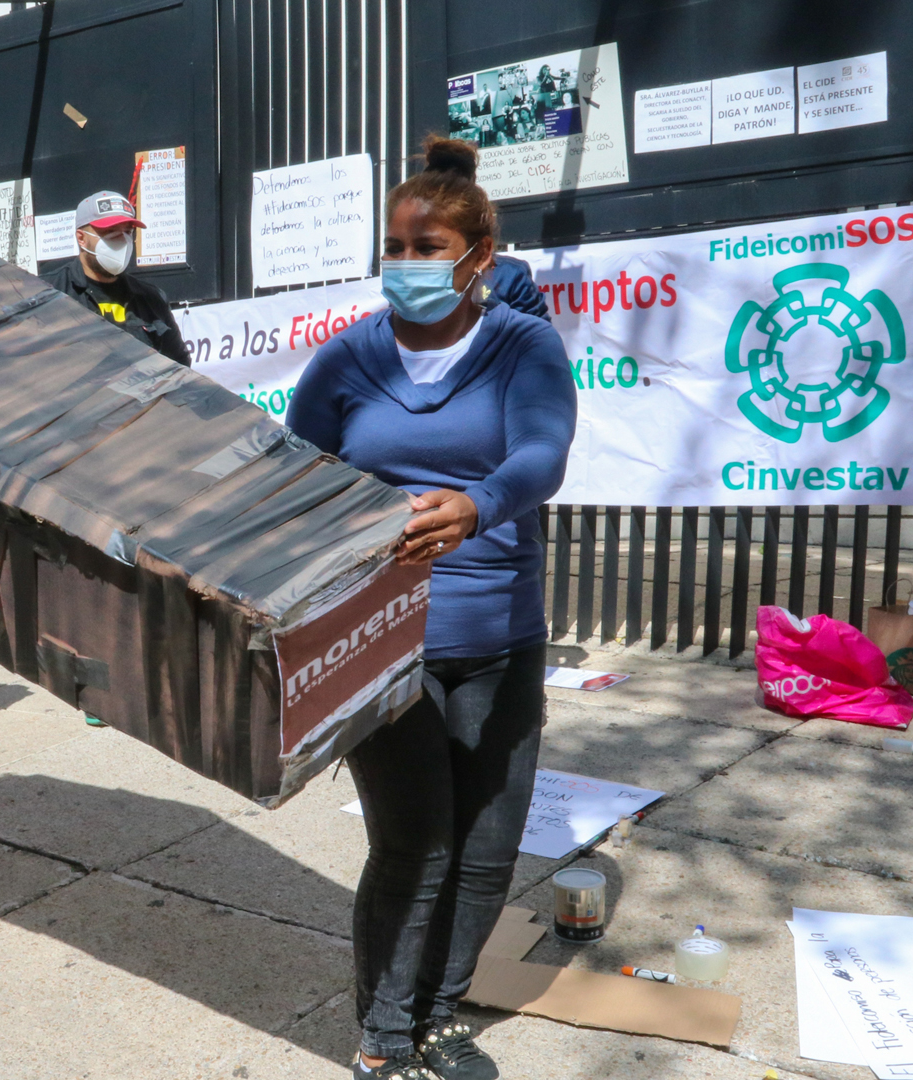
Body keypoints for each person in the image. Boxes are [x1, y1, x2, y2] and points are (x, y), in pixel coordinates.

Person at [286, 137, 576, 1080]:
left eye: (428, 245)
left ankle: (440, 1012)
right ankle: (384, 1036)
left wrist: (481, 504)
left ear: (479, 255)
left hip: (499, 634)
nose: (407, 264)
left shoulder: (521, 345)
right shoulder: (346, 361)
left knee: (488, 846)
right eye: (396, 246)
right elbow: (296, 475)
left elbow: (541, 453)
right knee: (415, 842)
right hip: (383, 641)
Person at [41, 191, 191, 366]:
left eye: (127, 232)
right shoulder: (48, 292)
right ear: (81, 238)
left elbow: (179, 366)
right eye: (110, 232)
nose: (122, 241)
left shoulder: (151, 298)